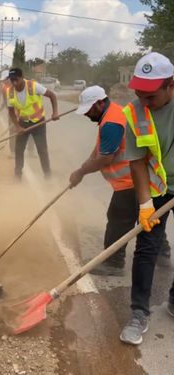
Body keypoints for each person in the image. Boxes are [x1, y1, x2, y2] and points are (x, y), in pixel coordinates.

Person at [118, 52, 174, 345]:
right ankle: (139, 312)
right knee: (147, 245)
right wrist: (144, 205)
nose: (145, 102)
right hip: (157, 185)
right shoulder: (134, 113)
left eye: (151, 96)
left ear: (171, 85)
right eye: (140, 94)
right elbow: (137, 162)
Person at [68, 86, 137, 276]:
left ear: (99, 103)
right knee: (147, 217)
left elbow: (105, 158)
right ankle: (163, 254)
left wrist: (81, 172)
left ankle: (114, 263)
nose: (87, 115)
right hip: (134, 179)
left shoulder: (112, 122)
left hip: (131, 181)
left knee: (117, 219)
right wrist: (81, 169)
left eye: (89, 110)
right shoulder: (110, 114)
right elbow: (99, 149)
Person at [6, 68, 60, 180]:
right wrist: (17, 126)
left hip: (39, 123)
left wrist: (55, 112)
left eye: (16, 79)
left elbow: (52, 96)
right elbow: (11, 111)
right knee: (19, 150)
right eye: (12, 80)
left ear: (22, 77)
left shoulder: (34, 86)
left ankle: (48, 176)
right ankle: (17, 176)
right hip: (23, 123)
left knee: (42, 150)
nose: (14, 83)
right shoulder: (10, 92)